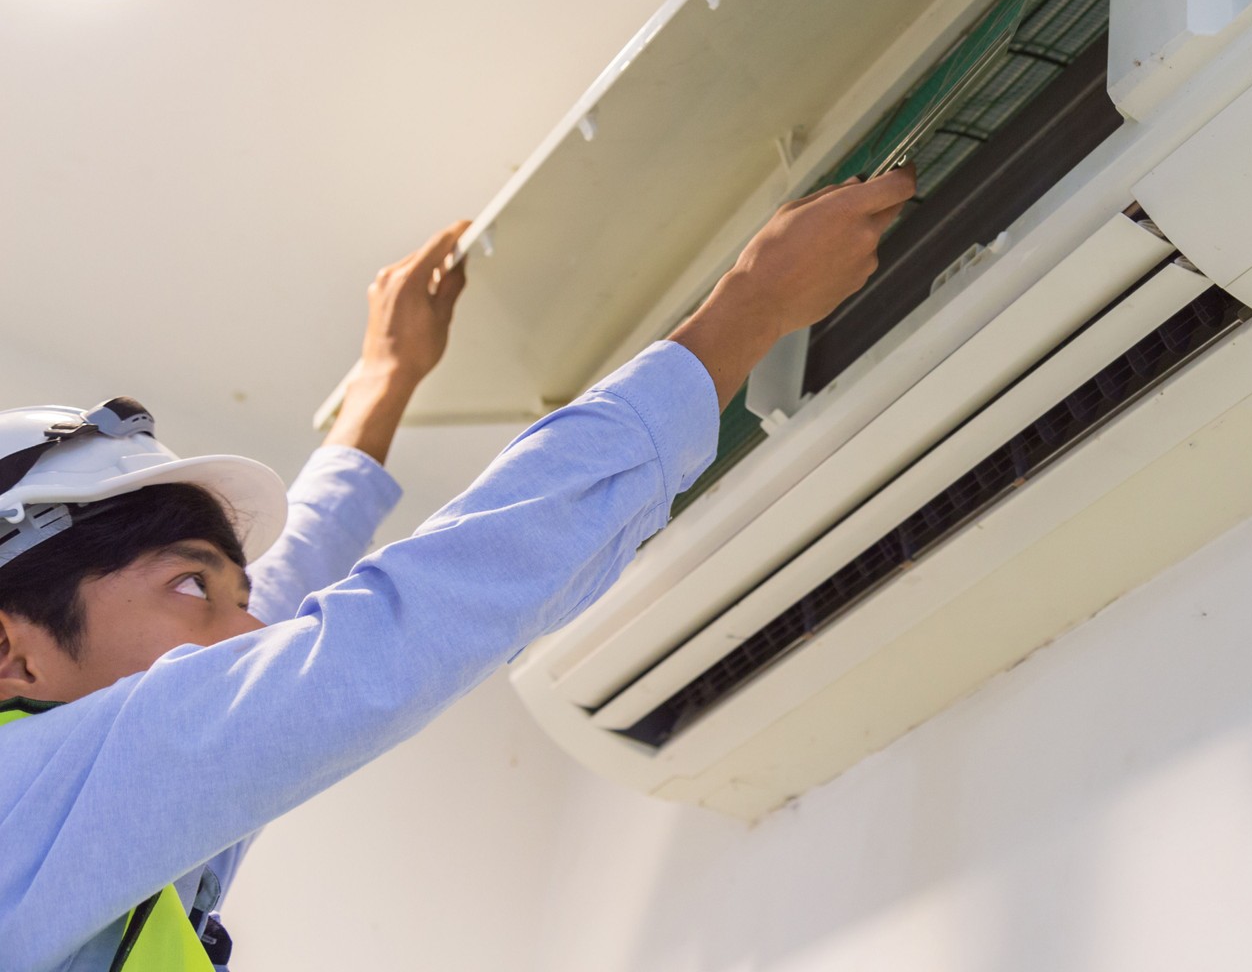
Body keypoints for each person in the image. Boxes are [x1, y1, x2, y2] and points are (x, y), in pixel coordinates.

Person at [0, 168, 917, 972]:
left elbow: (290, 609)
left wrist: (383, 384)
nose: (253, 633)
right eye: (194, 586)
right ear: (13, 654)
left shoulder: (76, 839)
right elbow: (388, 631)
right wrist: (748, 308)